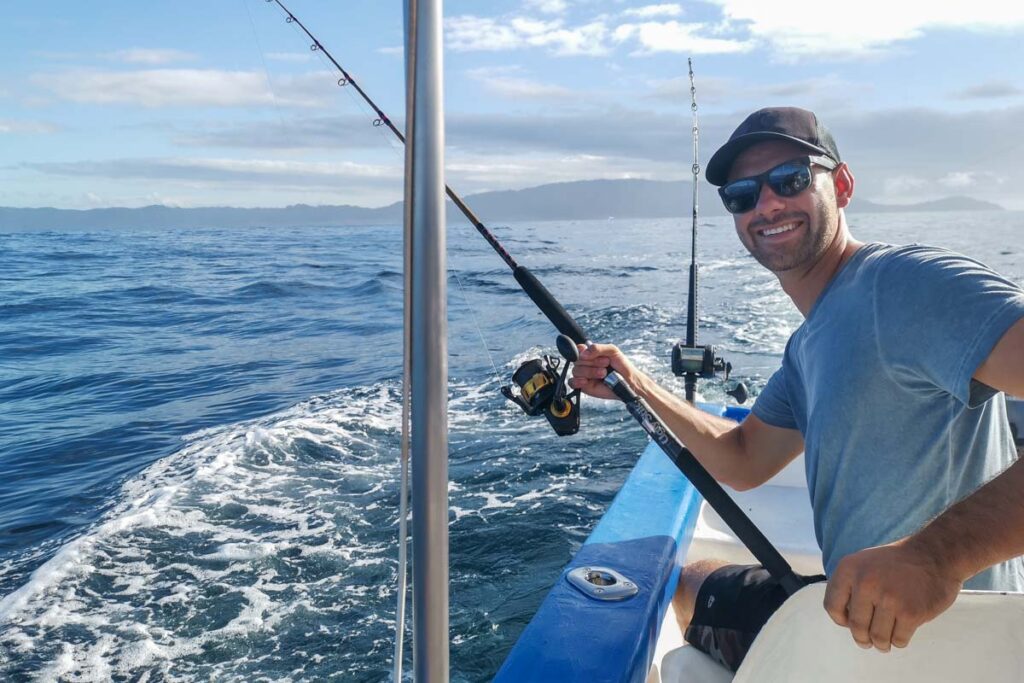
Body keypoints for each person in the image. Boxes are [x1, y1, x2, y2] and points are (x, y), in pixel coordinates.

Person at [569, 106, 1024, 672]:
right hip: (852, 617)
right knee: (689, 582)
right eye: (742, 195)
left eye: (789, 180)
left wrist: (938, 557)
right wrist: (636, 383)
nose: (767, 205)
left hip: (943, 642)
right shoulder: (807, 346)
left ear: (844, 185)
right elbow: (744, 459)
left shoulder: (904, 285)